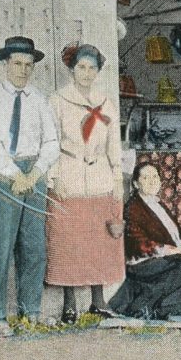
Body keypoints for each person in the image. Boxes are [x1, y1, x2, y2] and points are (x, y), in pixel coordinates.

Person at [0, 36, 60, 337]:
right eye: (17, 63)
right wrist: (13, 173)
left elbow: (51, 143)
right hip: (1, 177)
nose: (23, 69)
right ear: (5, 63)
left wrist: (34, 172)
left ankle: (30, 312)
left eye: (28, 64)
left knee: (34, 247)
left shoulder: (39, 101)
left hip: (33, 176)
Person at [44, 43, 125, 325]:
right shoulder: (58, 101)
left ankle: (98, 301)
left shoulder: (106, 103)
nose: (86, 73)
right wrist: (54, 178)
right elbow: (50, 142)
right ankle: (69, 304)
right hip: (70, 175)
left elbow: (114, 143)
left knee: (98, 239)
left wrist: (117, 178)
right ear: (72, 69)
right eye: (81, 67)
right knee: (69, 239)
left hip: (99, 175)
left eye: (92, 68)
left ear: (98, 71)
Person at [108, 163, 181, 320]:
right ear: (136, 184)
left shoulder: (159, 204)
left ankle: (173, 307)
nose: (152, 181)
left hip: (167, 258)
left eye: (155, 177)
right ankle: (162, 308)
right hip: (145, 263)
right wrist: (174, 250)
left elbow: (177, 233)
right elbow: (138, 243)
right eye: (146, 177)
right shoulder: (132, 208)